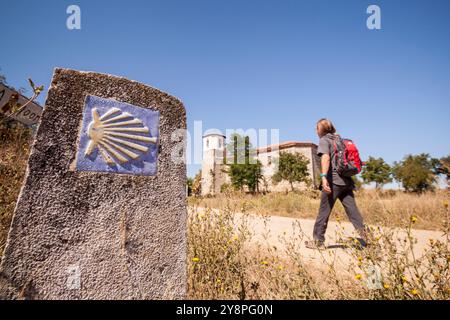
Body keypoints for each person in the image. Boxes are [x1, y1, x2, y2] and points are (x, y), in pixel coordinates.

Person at [305, 118, 368, 249]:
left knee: (324, 212)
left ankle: (318, 242)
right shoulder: (340, 140)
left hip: (333, 182)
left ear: (321, 130)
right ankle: (368, 238)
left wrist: (323, 177)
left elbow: (325, 157)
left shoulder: (324, 140)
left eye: (317, 128)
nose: (316, 131)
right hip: (347, 182)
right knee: (354, 213)